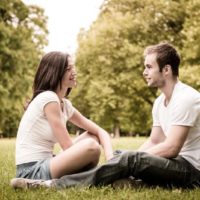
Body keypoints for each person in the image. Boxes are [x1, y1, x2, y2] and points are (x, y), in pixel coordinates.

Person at [11, 43, 200, 189]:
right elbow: (155, 140)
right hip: (36, 166)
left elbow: (172, 147)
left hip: (193, 170)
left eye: (149, 67)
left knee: (127, 159)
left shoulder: (186, 98)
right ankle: (128, 178)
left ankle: (54, 185)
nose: (144, 72)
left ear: (166, 70)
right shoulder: (160, 102)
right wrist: (122, 159)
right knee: (123, 157)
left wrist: (129, 160)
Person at [11, 51, 113, 186]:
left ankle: (99, 177)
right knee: (91, 146)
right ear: (55, 73)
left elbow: (100, 132)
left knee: (92, 137)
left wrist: (111, 161)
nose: (74, 72)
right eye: (68, 69)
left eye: (73, 67)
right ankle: (46, 184)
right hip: (31, 171)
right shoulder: (48, 98)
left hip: (47, 163)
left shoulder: (64, 104)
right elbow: (68, 147)